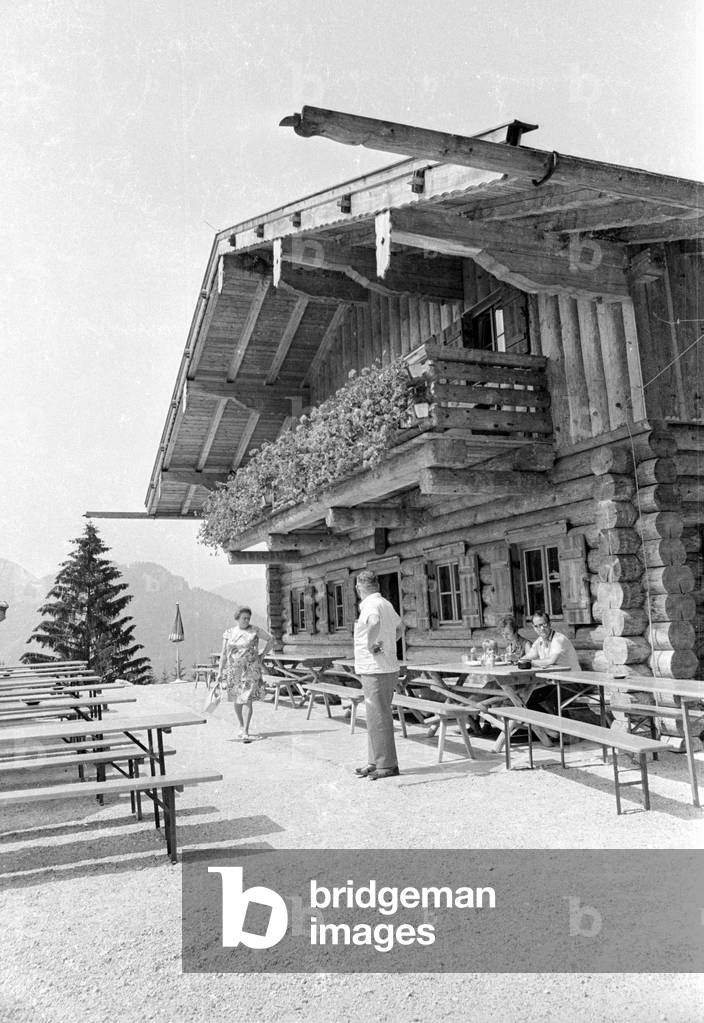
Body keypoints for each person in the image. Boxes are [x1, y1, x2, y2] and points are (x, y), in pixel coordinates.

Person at [353, 569, 404, 781]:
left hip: (375, 668)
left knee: (379, 715)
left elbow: (374, 622)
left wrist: (373, 644)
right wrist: (389, 646)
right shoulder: (385, 603)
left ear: (359, 588)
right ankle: (374, 761)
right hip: (385, 666)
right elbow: (400, 627)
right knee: (375, 715)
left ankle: (387, 765)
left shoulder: (371, 606)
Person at [215, 606, 273, 743]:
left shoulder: (255, 630)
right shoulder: (229, 633)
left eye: (248, 618)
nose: (247, 620)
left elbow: (271, 639)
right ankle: (241, 725)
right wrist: (220, 672)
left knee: (247, 699)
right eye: (244, 618)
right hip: (234, 670)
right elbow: (223, 654)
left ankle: (246, 730)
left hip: (250, 670)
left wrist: (262, 655)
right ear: (237, 618)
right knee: (236, 699)